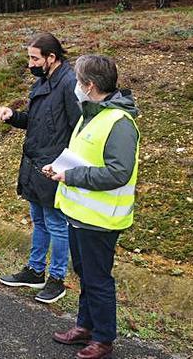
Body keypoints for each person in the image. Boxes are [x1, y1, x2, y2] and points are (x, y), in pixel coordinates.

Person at [46, 54, 140, 359]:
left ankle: (103, 338)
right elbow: (86, 156)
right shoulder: (93, 113)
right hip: (79, 213)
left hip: (100, 219)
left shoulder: (119, 123)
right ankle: (84, 326)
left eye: (76, 79)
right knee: (85, 273)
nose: (73, 84)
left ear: (89, 85)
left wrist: (70, 175)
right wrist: (59, 167)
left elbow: (117, 172)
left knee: (98, 280)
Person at [0, 33, 80, 304]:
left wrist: (64, 166)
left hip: (54, 166)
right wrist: (14, 117)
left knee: (57, 224)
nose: (30, 63)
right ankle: (34, 271)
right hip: (35, 163)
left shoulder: (69, 84)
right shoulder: (44, 81)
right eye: (29, 57)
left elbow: (79, 130)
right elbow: (37, 121)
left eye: (34, 58)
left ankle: (57, 279)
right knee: (40, 220)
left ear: (51, 58)